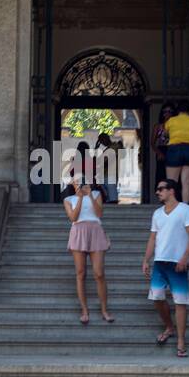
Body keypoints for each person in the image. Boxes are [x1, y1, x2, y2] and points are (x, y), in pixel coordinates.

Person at [143, 178, 189, 357]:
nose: (157, 192)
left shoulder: (186, 210)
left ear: (171, 190)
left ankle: (181, 341)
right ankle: (169, 326)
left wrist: (185, 257)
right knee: (157, 297)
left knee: (180, 302)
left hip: (178, 263)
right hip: (159, 262)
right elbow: (153, 238)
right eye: (157, 189)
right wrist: (146, 260)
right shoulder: (157, 214)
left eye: (161, 189)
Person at [63, 176, 114, 324]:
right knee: (80, 273)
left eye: (83, 180)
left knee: (99, 273)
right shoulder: (68, 199)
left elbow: (99, 214)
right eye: (77, 181)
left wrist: (90, 195)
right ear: (73, 184)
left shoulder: (96, 194)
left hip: (95, 230)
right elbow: (73, 218)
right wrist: (80, 198)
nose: (81, 183)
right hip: (78, 231)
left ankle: (104, 310)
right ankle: (84, 310)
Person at [163, 101, 189, 206]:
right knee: (186, 181)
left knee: (172, 182)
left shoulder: (171, 121)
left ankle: (172, 205)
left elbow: (165, 134)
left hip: (174, 150)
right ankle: (185, 206)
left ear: (177, 110)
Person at [152, 102, 175, 195]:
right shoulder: (158, 126)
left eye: (170, 111)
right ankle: (161, 195)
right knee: (161, 174)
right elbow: (152, 143)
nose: (167, 114)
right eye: (165, 111)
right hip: (161, 150)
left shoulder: (176, 125)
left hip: (173, 150)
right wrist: (159, 153)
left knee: (173, 174)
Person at [95, 132, 119, 203]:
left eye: (102, 140)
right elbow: (97, 160)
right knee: (107, 197)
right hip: (104, 174)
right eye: (100, 141)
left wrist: (100, 167)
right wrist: (96, 148)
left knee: (112, 196)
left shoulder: (115, 146)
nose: (102, 143)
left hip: (111, 174)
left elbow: (108, 160)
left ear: (107, 138)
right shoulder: (106, 150)